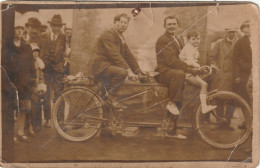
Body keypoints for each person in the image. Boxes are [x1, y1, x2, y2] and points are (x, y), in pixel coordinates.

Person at [155, 16, 200, 139]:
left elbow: (183, 57)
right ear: (165, 26)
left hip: (174, 71)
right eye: (169, 24)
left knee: (180, 81)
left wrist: (195, 67)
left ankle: (171, 130)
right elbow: (171, 60)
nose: (172, 26)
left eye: (174, 24)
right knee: (179, 76)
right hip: (164, 72)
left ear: (177, 25)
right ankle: (172, 104)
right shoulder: (162, 40)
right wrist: (189, 69)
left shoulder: (177, 39)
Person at [92, 13, 145, 109]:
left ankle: (106, 117)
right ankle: (111, 97)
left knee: (105, 97)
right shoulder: (108, 35)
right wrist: (128, 71)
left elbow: (129, 55)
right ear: (114, 23)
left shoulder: (120, 36)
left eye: (126, 23)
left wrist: (138, 71)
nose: (123, 25)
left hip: (109, 67)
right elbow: (114, 55)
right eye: (121, 22)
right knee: (122, 72)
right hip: (101, 67)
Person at [10, 23, 36, 142]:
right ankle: (11, 134)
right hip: (12, 82)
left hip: (25, 82)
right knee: (12, 108)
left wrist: (33, 81)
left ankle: (20, 132)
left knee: (24, 108)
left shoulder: (27, 47)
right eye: (17, 29)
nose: (20, 31)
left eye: (21, 29)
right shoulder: (8, 46)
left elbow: (31, 65)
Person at [179, 30, 217, 114]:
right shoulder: (188, 47)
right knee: (204, 84)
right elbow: (189, 61)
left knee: (207, 81)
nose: (196, 41)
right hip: (187, 73)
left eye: (198, 39)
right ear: (188, 40)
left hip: (191, 71)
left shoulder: (193, 48)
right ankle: (204, 107)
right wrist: (199, 67)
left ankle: (204, 102)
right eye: (193, 39)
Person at [40, 14, 67, 127]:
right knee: (46, 94)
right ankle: (47, 119)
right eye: (54, 26)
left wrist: (61, 64)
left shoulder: (63, 36)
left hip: (58, 69)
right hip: (46, 69)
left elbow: (64, 51)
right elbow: (40, 50)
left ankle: (60, 120)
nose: (56, 28)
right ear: (50, 26)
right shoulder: (43, 36)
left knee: (59, 93)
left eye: (58, 26)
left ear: (61, 27)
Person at [233, 20, 252, 104]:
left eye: (248, 27)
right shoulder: (239, 43)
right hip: (245, 73)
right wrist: (237, 75)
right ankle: (249, 115)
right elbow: (235, 60)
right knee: (244, 94)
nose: (246, 29)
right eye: (244, 28)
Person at [31, 44, 47, 131]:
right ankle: (29, 124)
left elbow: (41, 77)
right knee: (28, 106)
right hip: (29, 87)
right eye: (33, 52)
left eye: (37, 52)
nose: (35, 53)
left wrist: (41, 88)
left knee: (37, 105)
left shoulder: (39, 63)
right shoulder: (28, 63)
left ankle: (37, 124)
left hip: (36, 87)